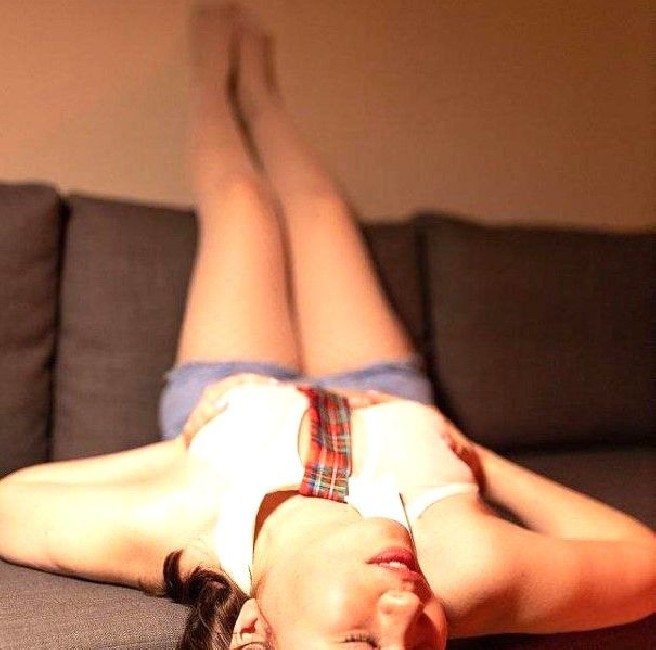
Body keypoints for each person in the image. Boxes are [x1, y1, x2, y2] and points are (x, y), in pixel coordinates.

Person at [0, 5, 654, 650]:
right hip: (383, 389)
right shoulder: (470, 568)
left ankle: (213, 84)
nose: (408, 613)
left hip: (237, 389)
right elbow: (645, 566)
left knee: (243, 207)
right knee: (318, 210)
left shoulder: (181, 528)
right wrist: (482, 465)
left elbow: (12, 500)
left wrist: (181, 455)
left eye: (360, 642)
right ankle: (262, 97)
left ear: (254, 630)